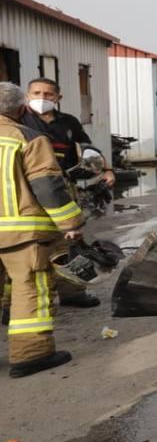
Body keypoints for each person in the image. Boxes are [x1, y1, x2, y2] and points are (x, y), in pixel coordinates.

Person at [0, 81, 85, 377]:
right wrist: (71, 225)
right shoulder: (28, 138)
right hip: (20, 234)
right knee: (29, 288)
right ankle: (30, 355)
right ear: (22, 108)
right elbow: (48, 188)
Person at [19, 79, 105, 308]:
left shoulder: (68, 122)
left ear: (58, 98)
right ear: (27, 96)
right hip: (27, 190)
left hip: (63, 188)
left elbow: (87, 148)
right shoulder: (17, 121)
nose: (42, 98)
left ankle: (73, 292)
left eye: (48, 94)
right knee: (28, 245)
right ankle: (13, 304)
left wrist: (104, 169)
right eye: (36, 93)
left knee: (71, 241)